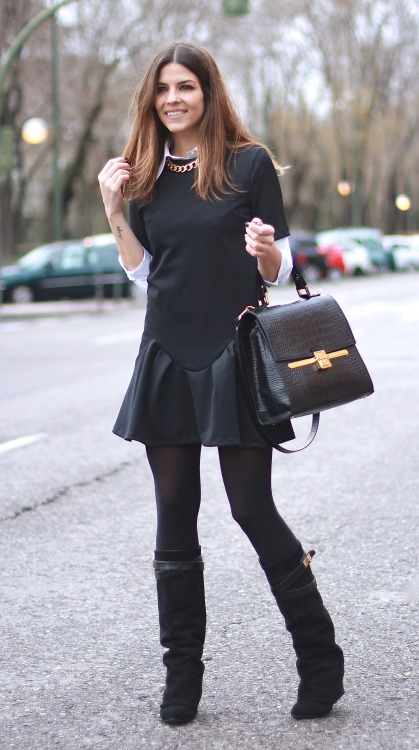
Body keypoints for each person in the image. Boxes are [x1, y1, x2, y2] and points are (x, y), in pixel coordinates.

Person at [98, 40, 344, 726]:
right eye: (164, 88)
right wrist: (113, 207)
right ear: (152, 97)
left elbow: (275, 267)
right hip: (167, 354)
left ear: (208, 93)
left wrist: (266, 252)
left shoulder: (248, 164)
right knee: (173, 516)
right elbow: (142, 273)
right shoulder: (143, 174)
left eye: (187, 87)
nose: (174, 98)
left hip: (236, 349)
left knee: (249, 508)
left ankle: (320, 659)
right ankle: (182, 680)